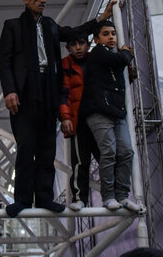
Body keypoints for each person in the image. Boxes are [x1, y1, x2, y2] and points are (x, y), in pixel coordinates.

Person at [0, 0, 114, 217]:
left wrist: (101, 18)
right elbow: (5, 62)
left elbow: (74, 32)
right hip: (24, 93)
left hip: (48, 91)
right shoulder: (12, 26)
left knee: (47, 149)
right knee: (26, 148)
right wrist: (10, 91)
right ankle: (21, 199)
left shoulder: (50, 25)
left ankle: (43, 198)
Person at [80, 20, 142, 212]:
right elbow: (120, 60)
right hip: (99, 111)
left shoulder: (110, 59)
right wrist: (125, 53)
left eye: (113, 33)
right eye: (106, 34)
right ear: (97, 39)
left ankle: (122, 195)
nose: (111, 37)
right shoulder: (99, 53)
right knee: (109, 152)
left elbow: (115, 74)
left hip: (116, 111)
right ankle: (108, 196)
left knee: (126, 151)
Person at [59, 33, 100, 211]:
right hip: (78, 119)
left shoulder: (97, 61)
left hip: (99, 117)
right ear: (68, 47)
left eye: (81, 43)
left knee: (107, 158)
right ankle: (78, 198)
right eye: (73, 44)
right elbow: (62, 94)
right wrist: (65, 117)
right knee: (79, 163)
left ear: (88, 44)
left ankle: (113, 195)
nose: (78, 47)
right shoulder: (64, 66)